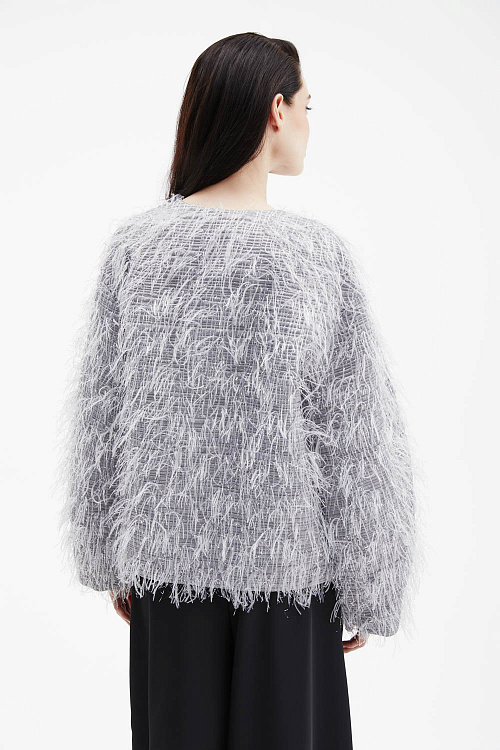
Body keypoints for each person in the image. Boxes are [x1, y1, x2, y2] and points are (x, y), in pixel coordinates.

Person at [58, 31, 421, 750]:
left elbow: (103, 415)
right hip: (291, 581)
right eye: (308, 107)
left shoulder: (136, 249)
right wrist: (373, 583)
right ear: (277, 110)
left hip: (168, 577)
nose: (309, 123)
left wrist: (107, 553)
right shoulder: (315, 255)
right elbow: (358, 434)